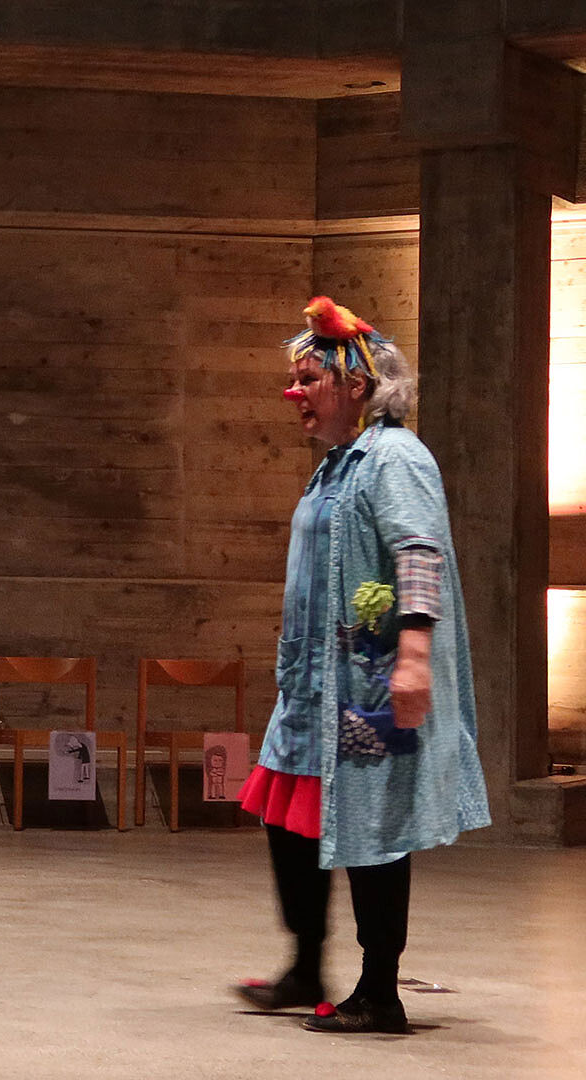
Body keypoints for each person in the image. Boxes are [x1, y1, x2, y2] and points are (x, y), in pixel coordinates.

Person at [231, 297, 489, 1033]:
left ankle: (379, 991)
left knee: (373, 825)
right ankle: (306, 966)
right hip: (310, 688)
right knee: (289, 819)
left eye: (308, 379)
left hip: (364, 686)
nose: (295, 394)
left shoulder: (395, 458)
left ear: (355, 385)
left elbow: (419, 553)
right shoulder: (336, 468)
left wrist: (414, 657)